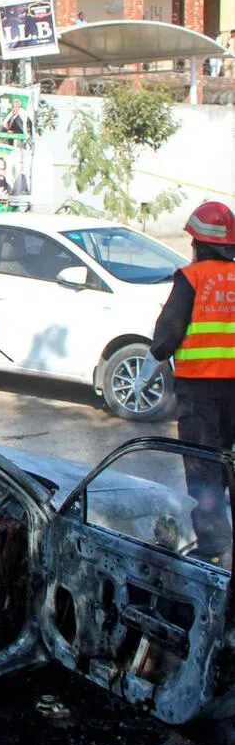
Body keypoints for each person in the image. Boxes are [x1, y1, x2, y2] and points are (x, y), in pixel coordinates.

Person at [141, 202, 235, 565]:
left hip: (201, 393)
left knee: (205, 467)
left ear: (198, 242)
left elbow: (166, 335)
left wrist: (153, 362)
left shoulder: (193, 277)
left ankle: (215, 551)